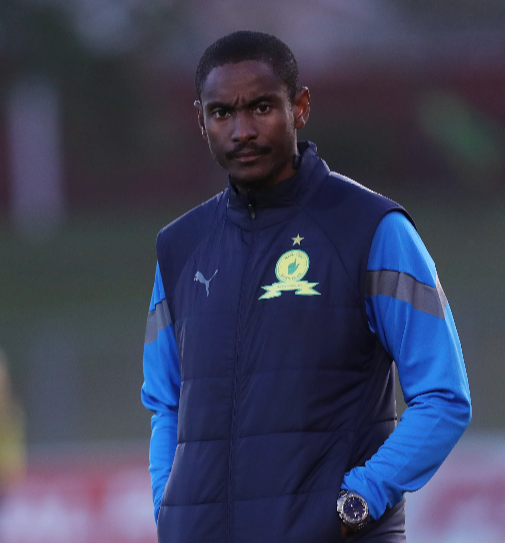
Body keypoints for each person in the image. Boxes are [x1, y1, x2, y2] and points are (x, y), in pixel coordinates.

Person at [141, 31, 472, 543]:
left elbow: (444, 396)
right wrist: (171, 508)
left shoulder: (371, 228)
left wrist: (355, 503)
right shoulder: (180, 248)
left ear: (300, 107)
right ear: (201, 120)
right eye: (223, 113)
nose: (242, 130)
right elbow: (166, 404)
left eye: (261, 107)